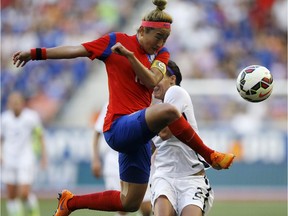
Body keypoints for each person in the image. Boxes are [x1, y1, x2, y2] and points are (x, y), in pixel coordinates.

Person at [13, 1, 235, 215]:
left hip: (138, 135)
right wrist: (35, 53)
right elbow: (76, 50)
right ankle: (210, 155)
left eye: (165, 38)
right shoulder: (115, 41)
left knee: (129, 202)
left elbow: (151, 80)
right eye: (158, 37)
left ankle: (70, 202)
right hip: (118, 126)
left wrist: (129, 57)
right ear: (142, 31)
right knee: (169, 112)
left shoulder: (161, 55)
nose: (161, 43)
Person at [150, 60, 214, 216]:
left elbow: (165, 133)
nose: (153, 82)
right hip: (164, 176)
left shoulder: (176, 92)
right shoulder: (153, 108)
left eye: (158, 77)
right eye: (151, 77)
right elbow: (152, 147)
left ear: (172, 79)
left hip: (191, 180)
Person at [92, 102, 152, 216]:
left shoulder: (144, 101)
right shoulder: (110, 104)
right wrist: (95, 159)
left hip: (140, 156)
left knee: (146, 207)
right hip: (114, 161)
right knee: (121, 207)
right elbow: (97, 131)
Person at [1, 91, 47, 216]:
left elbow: (40, 136)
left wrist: (44, 156)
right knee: (10, 194)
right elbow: (1, 139)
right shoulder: (4, 119)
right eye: (12, 103)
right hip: (8, 158)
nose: (15, 105)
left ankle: (34, 212)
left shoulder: (31, 117)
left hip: (25, 158)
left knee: (24, 193)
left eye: (17, 102)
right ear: (9, 104)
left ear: (22, 103)